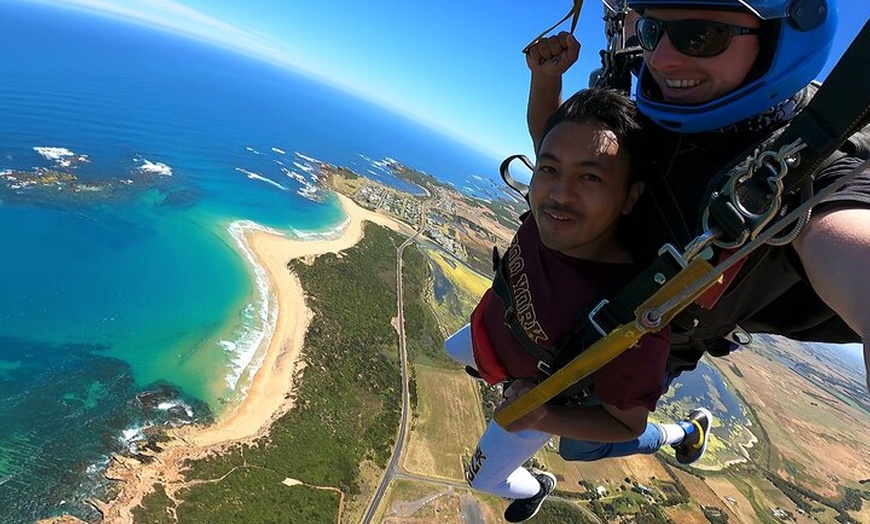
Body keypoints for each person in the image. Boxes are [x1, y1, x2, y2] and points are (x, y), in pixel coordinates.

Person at [525, 0, 870, 392]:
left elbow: (852, 250)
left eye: (702, 36)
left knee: (586, 446)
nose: (662, 59)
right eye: (652, 32)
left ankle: (684, 430)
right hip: (565, 312)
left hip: (640, 347)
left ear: (779, 40)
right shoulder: (643, 123)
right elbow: (550, 154)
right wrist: (546, 81)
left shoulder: (808, 174)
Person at [444, 87, 713, 523]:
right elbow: (545, 133)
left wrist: (544, 414)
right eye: (549, 169)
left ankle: (537, 488)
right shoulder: (550, 214)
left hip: (537, 397)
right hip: (492, 338)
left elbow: (627, 425)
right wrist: (545, 77)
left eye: (590, 177)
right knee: (447, 349)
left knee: (483, 479)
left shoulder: (628, 319)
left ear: (629, 197)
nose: (560, 193)